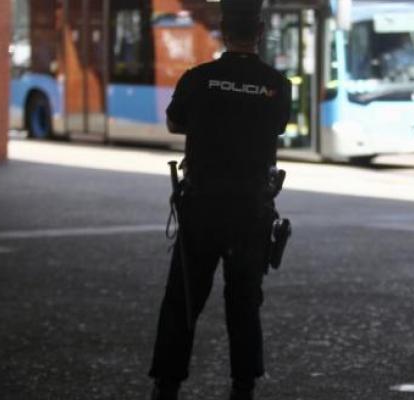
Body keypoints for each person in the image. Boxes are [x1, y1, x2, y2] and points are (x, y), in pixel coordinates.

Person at [148, 1, 291, 399]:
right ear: (260, 32)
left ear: (223, 31)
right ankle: (242, 386)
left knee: (183, 298)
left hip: (201, 207)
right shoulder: (278, 84)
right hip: (251, 210)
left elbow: (176, 121)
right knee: (244, 301)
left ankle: (167, 384)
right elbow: (277, 126)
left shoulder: (199, 78)